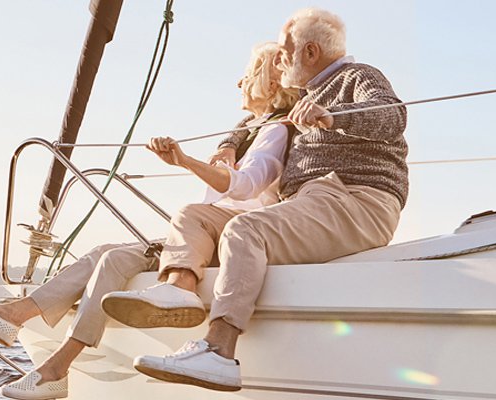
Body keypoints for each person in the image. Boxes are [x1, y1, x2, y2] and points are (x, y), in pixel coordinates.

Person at [0, 41, 303, 400]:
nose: (239, 83)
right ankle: (29, 333)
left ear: (269, 83)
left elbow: (246, 187)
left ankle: (43, 352)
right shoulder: (247, 132)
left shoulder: (276, 132)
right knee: (108, 253)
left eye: (246, 75)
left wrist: (187, 162)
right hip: (204, 234)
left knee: (119, 254)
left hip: (232, 237)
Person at [113, 7, 410, 392]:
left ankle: (218, 352)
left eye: (285, 51)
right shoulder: (305, 95)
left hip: (355, 200)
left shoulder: (357, 76)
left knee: (244, 229)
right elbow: (256, 120)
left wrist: (331, 116)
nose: (279, 58)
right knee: (193, 216)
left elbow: (392, 116)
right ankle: (177, 292)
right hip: (314, 201)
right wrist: (228, 144)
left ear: (311, 52)